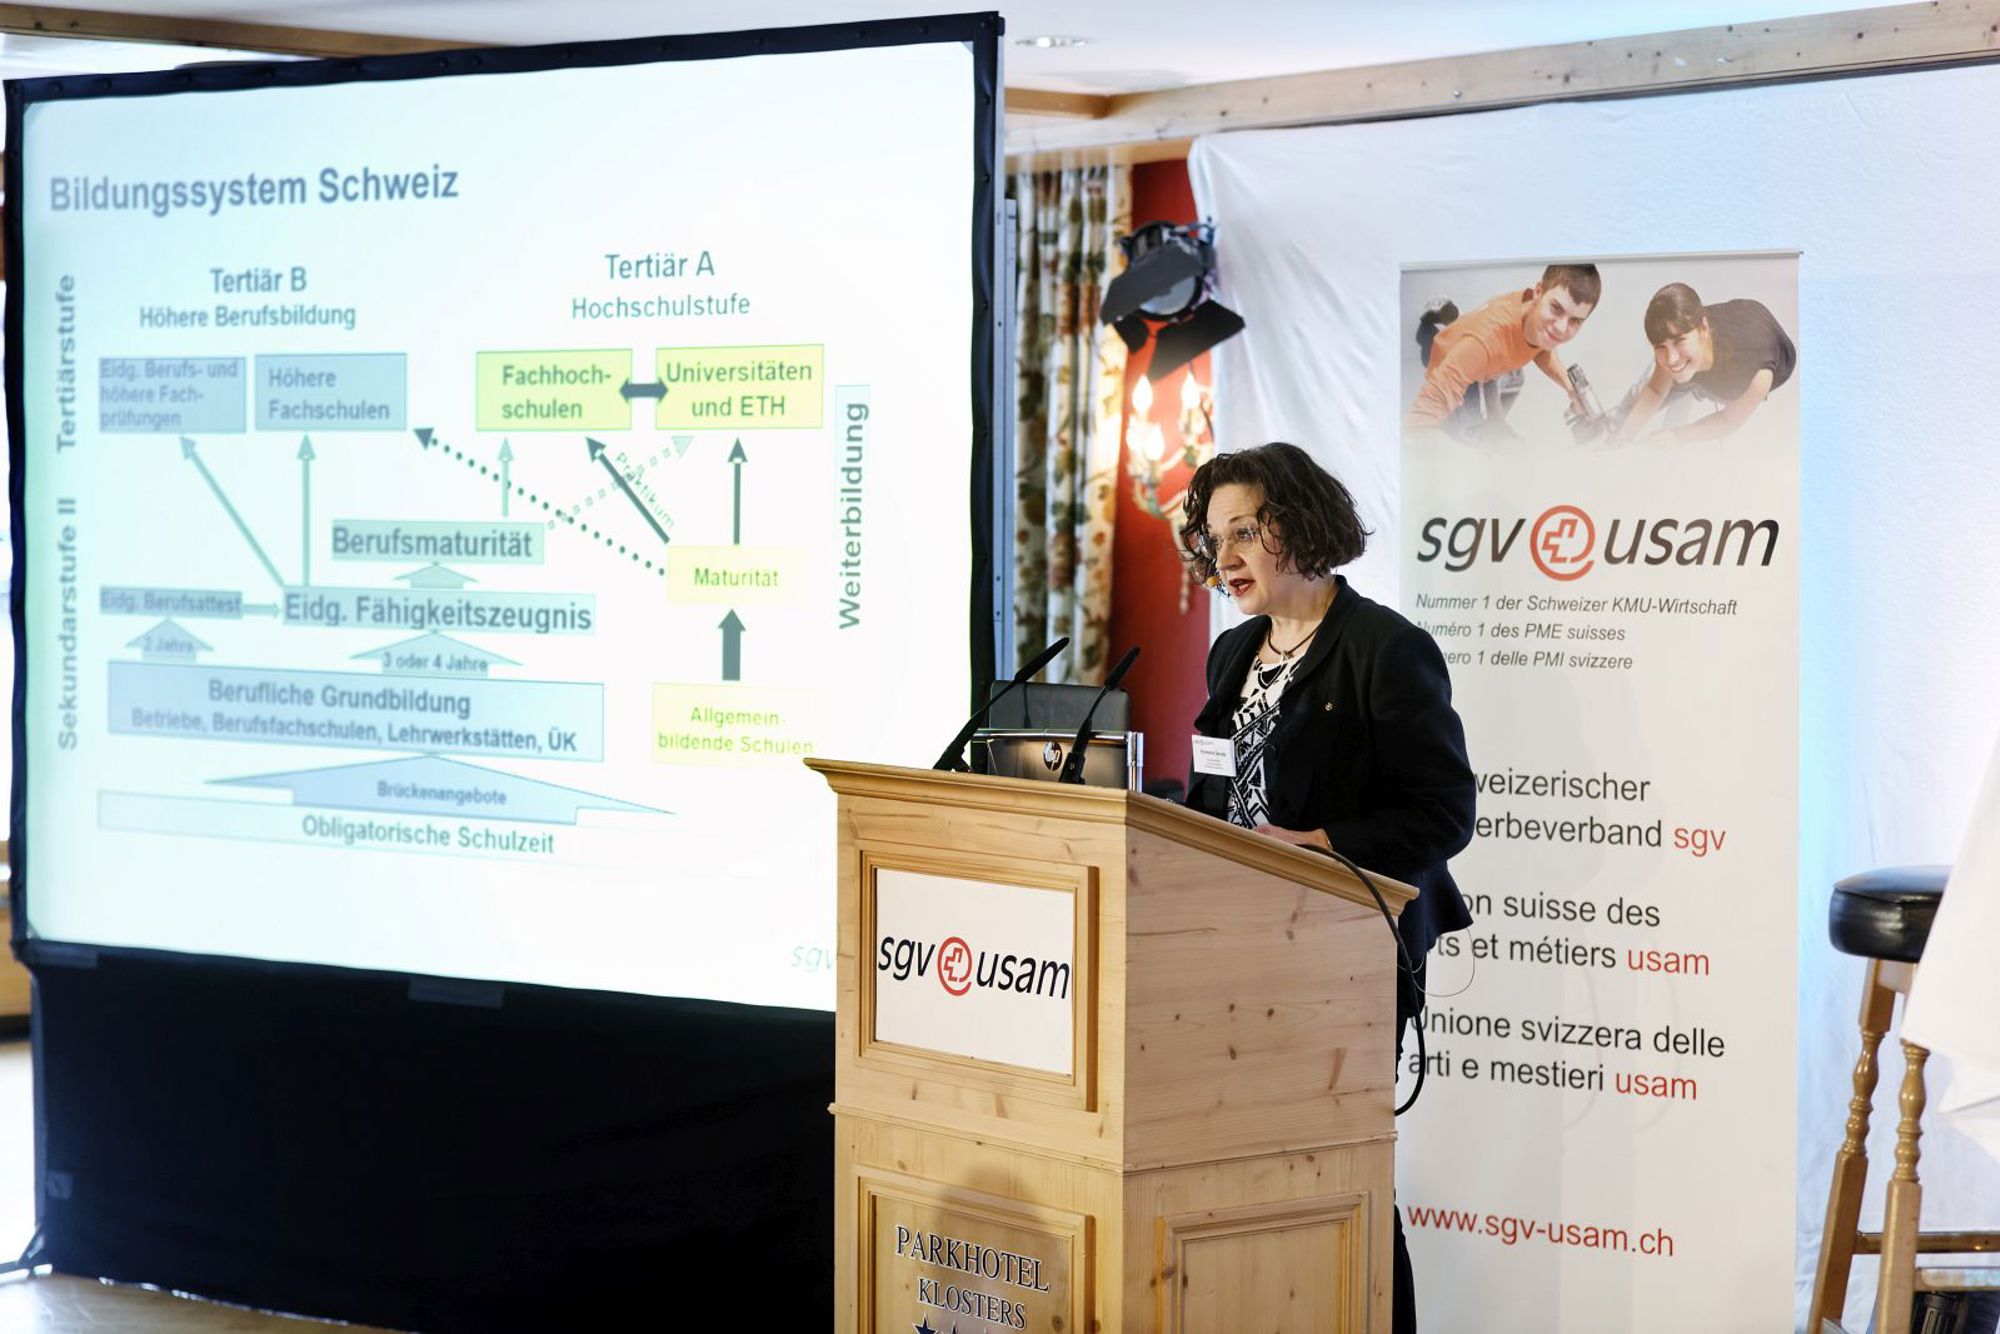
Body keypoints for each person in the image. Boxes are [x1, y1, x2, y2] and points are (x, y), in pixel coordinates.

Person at [1180, 442, 1476, 1334]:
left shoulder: (1386, 649)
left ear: (1300, 527)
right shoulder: (1233, 652)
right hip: (1236, 957)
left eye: (1244, 531)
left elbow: (1444, 812)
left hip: (1344, 955)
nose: (1225, 556)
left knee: (1346, 1180)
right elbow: (1216, 791)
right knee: (1248, 1182)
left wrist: (1326, 844)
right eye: (1214, 538)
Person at [1408, 263, 1601, 437]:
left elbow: (1542, 348)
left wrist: (1570, 387)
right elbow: (1419, 423)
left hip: (1484, 351)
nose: (1560, 328)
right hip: (1462, 365)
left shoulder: (1534, 315)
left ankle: (1449, 314)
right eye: (1556, 308)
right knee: (1477, 431)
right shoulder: (1484, 342)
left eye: (1575, 321)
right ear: (1538, 292)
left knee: (1515, 378)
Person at [1610, 282, 1796, 443]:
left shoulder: (1757, 374)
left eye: (1679, 341)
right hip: (1721, 335)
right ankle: (1608, 431)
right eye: (1660, 346)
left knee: (1687, 402)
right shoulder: (1673, 340)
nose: (1671, 358)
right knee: (1647, 390)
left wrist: (1677, 436)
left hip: (1756, 359)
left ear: (1703, 328)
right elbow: (1656, 391)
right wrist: (1623, 436)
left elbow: (1728, 421)